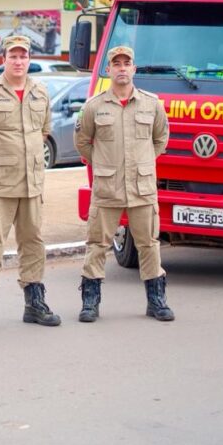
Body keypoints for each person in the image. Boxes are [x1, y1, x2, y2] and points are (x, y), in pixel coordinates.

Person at [0, 34, 60, 331]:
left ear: (29, 59)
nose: (19, 61)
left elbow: (43, 132)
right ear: (3, 59)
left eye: (23, 56)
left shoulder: (40, 91)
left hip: (32, 183)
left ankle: (34, 303)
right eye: (13, 56)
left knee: (33, 242)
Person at [73, 45, 174, 322]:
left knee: (149, 244)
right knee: (97, 244)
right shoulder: (93, 106)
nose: (121, 68)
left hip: (142, 187)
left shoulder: (152, 104)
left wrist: (142, 163)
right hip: (107, 188)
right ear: (108, 70)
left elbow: (160, 140)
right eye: (116, 64)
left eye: (126, 63)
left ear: (134, 69)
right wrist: (103, 163)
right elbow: (82, 142)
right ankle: (90, 302)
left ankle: (156, 301)